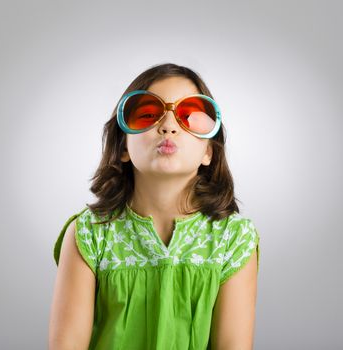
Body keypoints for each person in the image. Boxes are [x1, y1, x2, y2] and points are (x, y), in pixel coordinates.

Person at [48, 63, 260, 350]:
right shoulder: (88, 234)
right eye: (147, 114)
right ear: (123, 146)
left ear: (208, 151)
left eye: (190, 117)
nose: (168, 126)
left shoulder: (234, 239)